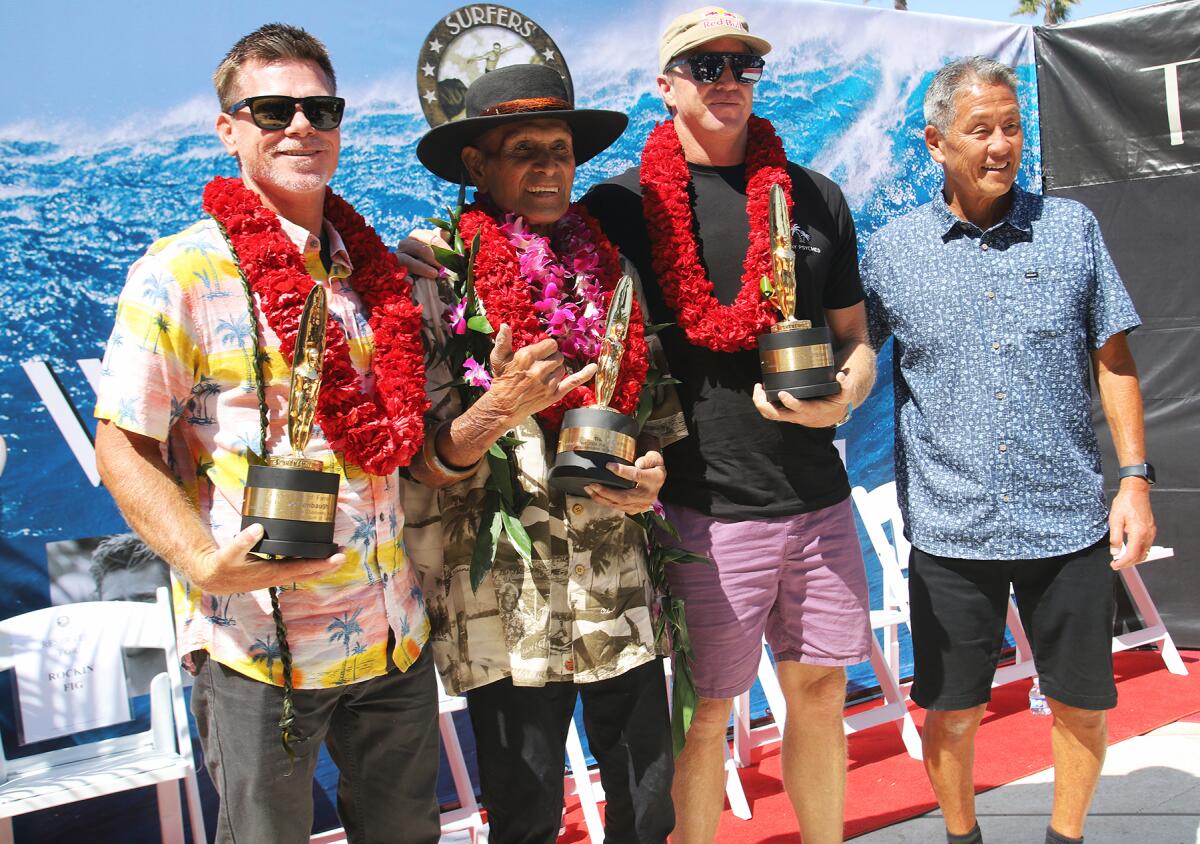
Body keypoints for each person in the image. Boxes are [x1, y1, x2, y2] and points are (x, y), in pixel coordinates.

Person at [93, 23, 439, 844]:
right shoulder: (178, 273)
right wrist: (205, 563)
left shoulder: (377, 270)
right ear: (229, 129)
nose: (301, 127)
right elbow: (122, 444)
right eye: (273, 108)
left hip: (393, 637)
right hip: (260, 650)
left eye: (321, 108)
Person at [582, 7, 876, 843]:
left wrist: (847, 396)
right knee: (706, 713)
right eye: (704, 66)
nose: (726, 81)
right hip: (704, 509)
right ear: (665, 86)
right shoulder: (623, 207)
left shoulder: (815, 197)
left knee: (820, 691)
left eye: (742, 66)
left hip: (818, 498)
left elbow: (856, 342)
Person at [861, 56, 1156, 844]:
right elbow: (855, 363)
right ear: (935, 142)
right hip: (952, 531)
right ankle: (964, 838)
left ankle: (1066, 838)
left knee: (1084, 705)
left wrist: (1134, 481)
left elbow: (1114, 359)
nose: (1001, 145)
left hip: (1067, 521)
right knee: (952, 715)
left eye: (1012, 126)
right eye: (980, 129)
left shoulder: (1072, 230)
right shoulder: (889, 252)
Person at [399, 64, 677, 844]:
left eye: (560, 148)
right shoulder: (435, 276)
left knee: (649, 807)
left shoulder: (610, 267)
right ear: (477, 166)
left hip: (613, 581)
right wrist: (501, 409)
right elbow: (424, 455)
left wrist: (650, 472)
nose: (550, 167)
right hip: (506, 602)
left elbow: (652, 417)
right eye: (525, 149)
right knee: (523, 819)